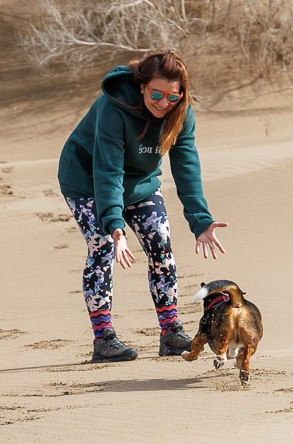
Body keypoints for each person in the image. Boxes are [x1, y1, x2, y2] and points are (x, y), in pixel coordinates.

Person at [57, 49, 228, 362]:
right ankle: (104, 339)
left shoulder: (181, 112)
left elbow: (186, 165)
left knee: (161, 245)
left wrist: (200, 219)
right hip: (87, 180)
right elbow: (108, 169)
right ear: (142, 88)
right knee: (103, 248)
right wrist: (114, 225)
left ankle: (171, 332)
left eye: (172, 97)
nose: (163, 103)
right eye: (156, 94)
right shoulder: (113, 106)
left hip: (140, 182)